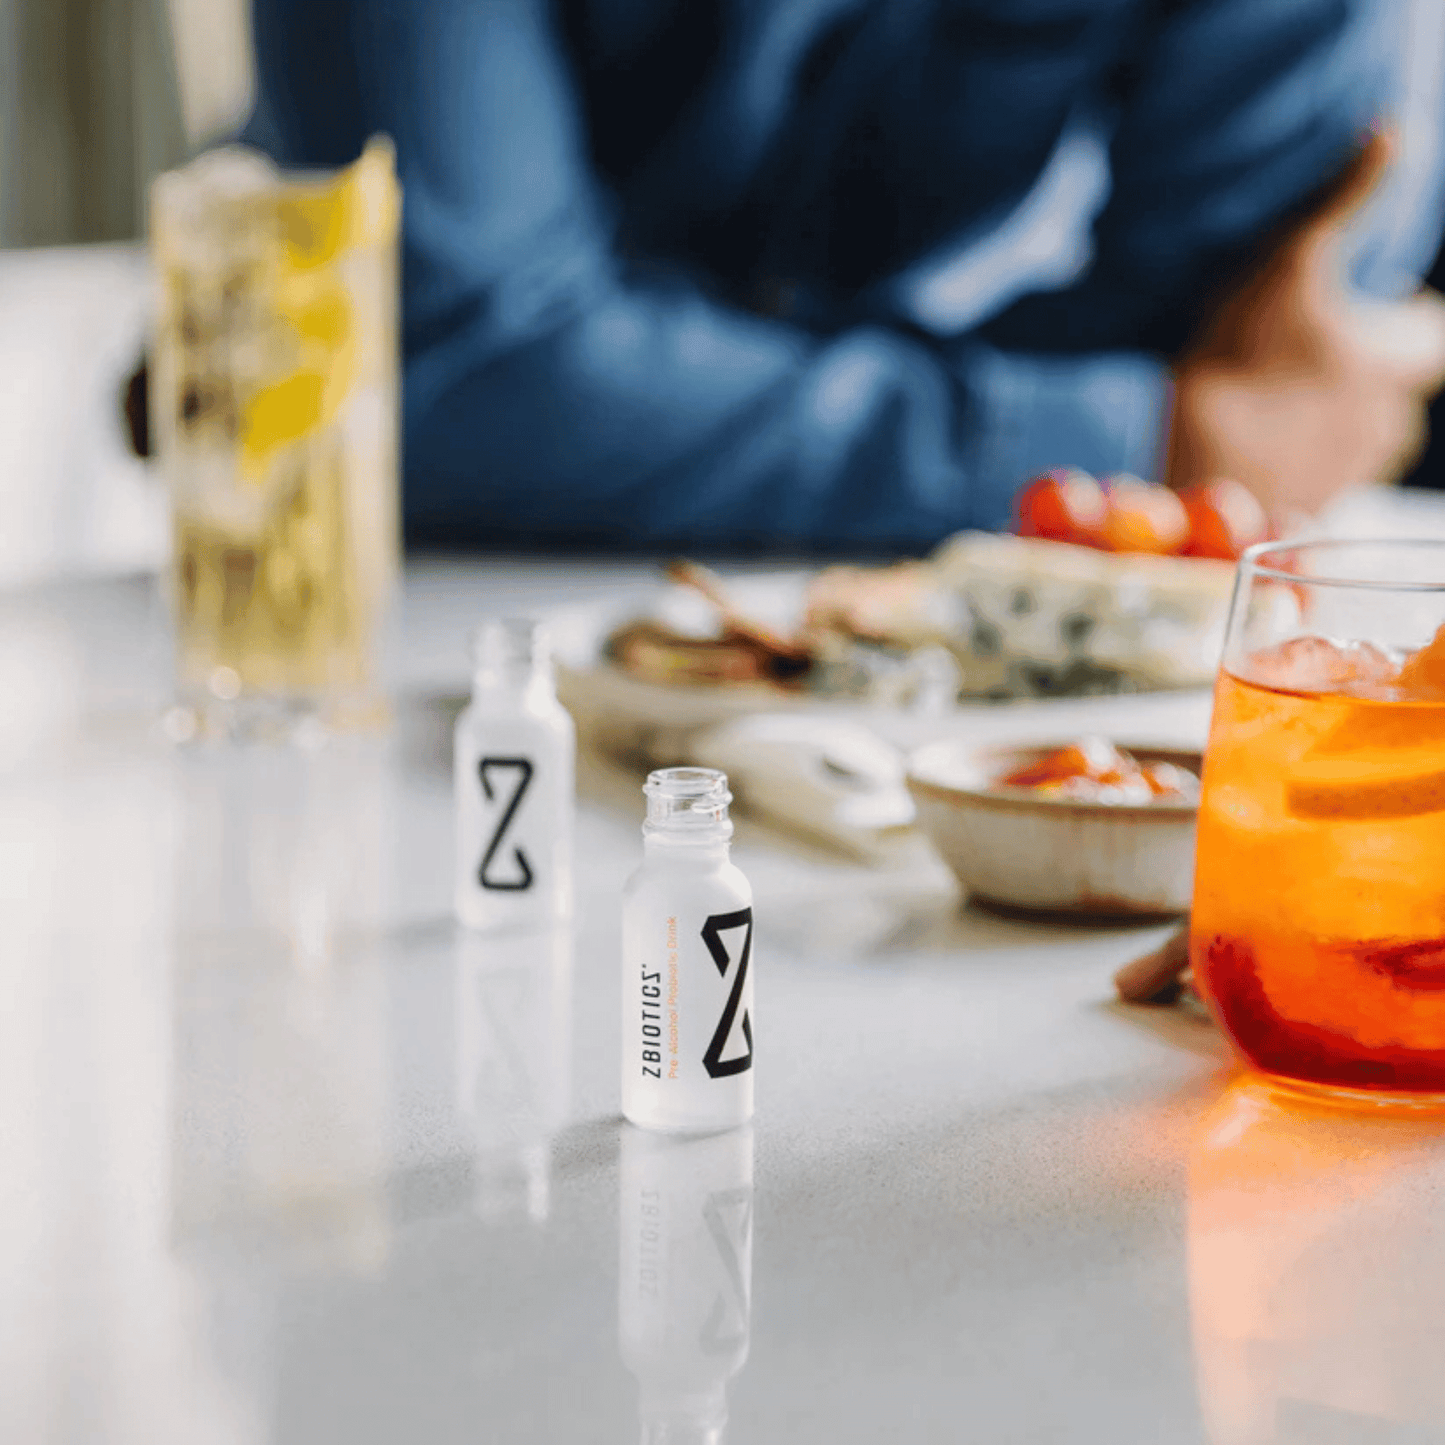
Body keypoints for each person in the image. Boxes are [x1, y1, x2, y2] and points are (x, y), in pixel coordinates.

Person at [243, 0, 1445, 554]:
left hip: (957, 651)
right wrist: (1131, 431)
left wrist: (629, 408)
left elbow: (1254, 369)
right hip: (429, 640)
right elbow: (473, 372)